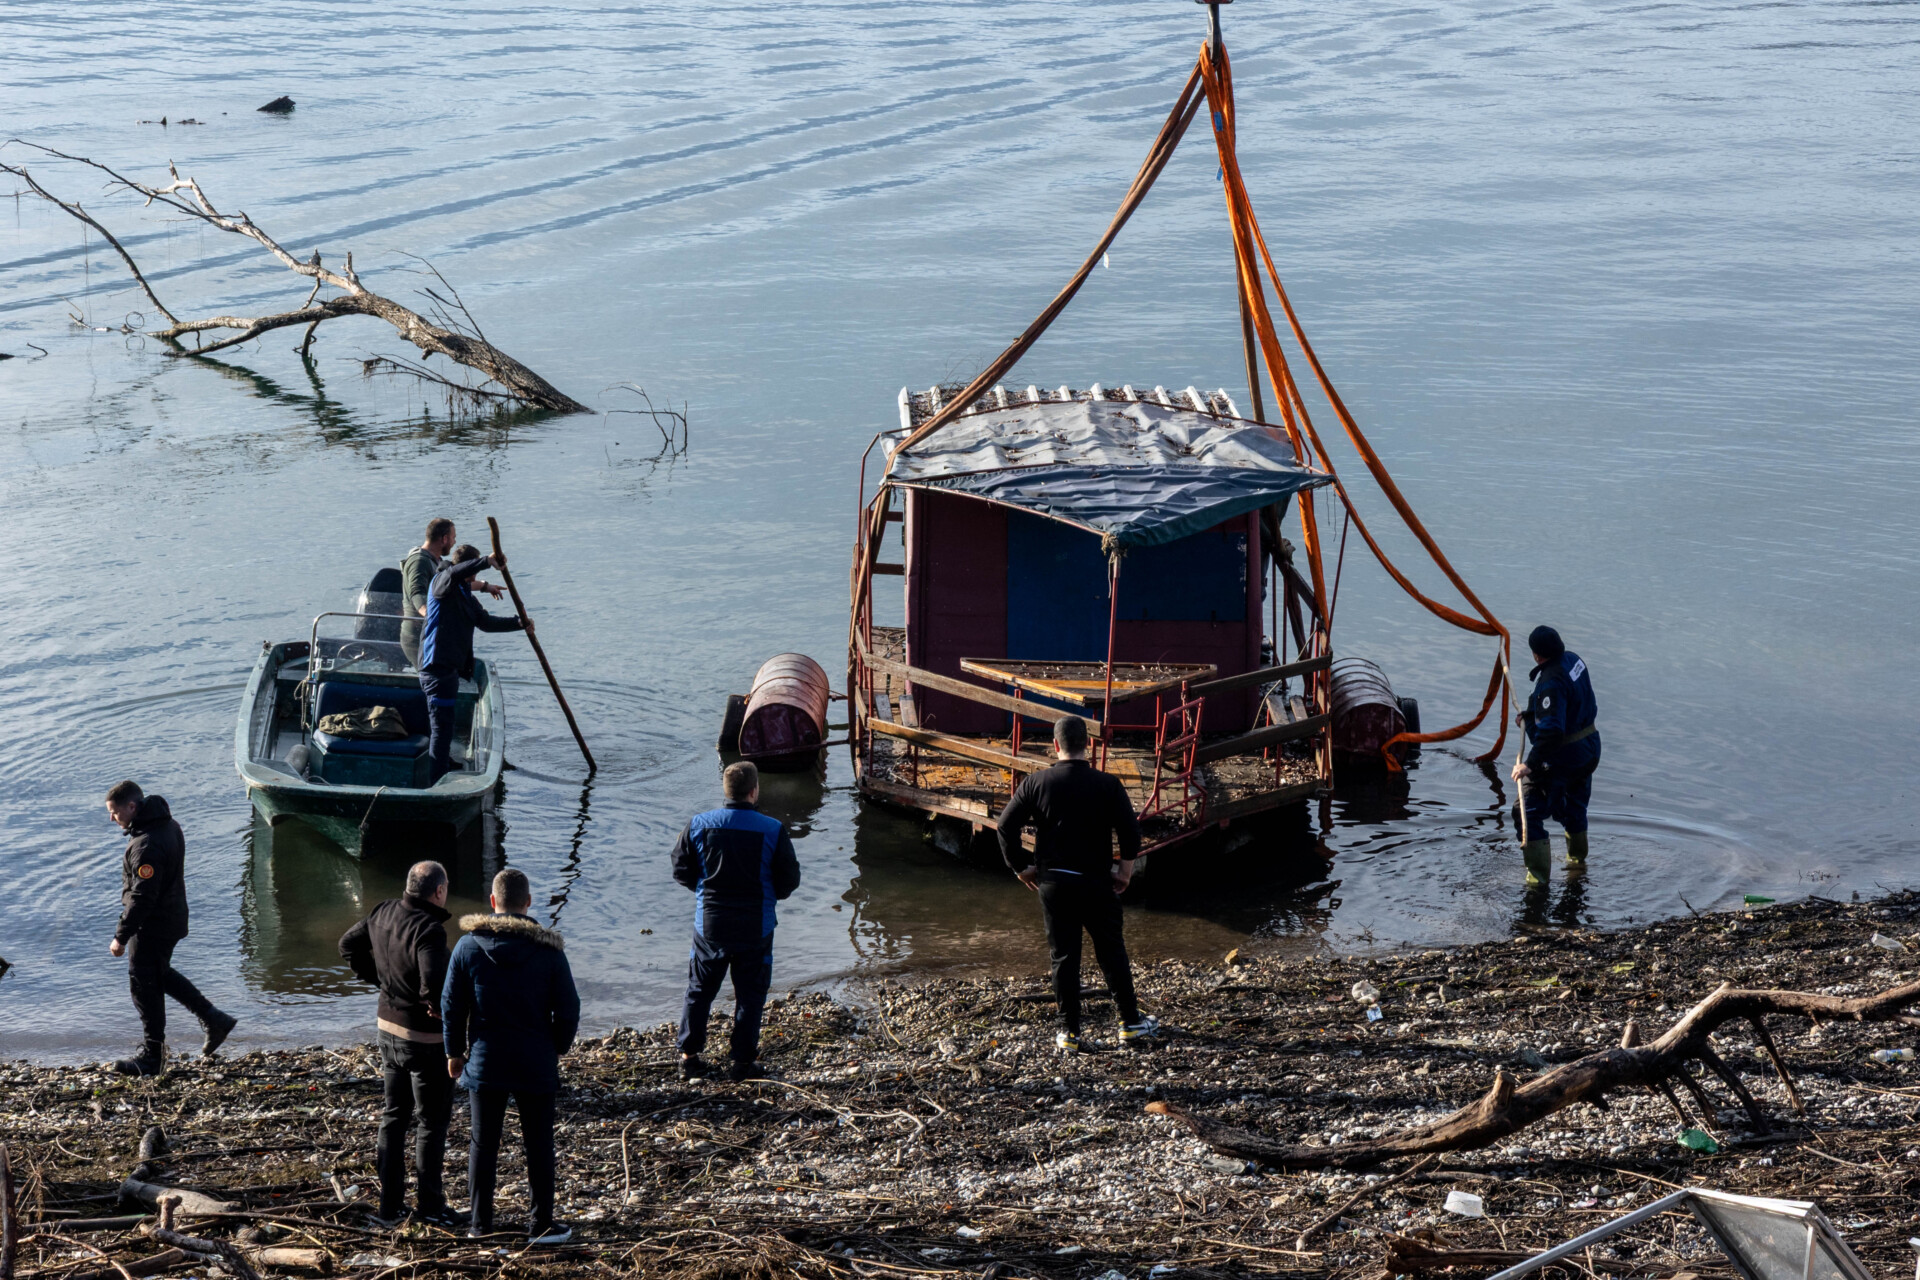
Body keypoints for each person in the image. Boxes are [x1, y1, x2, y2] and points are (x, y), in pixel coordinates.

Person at [995, 716, 1156, 1052]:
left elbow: (1005, 828)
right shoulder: (1108, 784)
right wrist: (1124, 872)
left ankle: (1069, 1033)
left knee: (1064, 957)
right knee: (1112, 951)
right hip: (1097, 883)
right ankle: (1129, 1024)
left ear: (1055, 746)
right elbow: (1130, 832)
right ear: (1090, 745)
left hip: (1054, 884)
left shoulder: (1036, 782)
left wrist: (1020, 868)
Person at [442, 868, 579, 1245]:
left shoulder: (468, 947)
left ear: (492, 902)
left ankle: (480, 1225)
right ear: (528, 903)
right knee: (538, 1143)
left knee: (483, 1144)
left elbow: (452, 1004)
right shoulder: (549, 950)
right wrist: (557, 1046)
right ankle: (541, 1225)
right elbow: (569, 1008)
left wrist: (453, 1051)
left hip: (486, 1061)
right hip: (535, 1061)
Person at [339, 860, 460, 1228]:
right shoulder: (430, 930)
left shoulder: (383, 911)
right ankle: (430, 1205)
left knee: (394, 1117)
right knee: (430, 1122)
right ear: (438, 891)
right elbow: (434, 986)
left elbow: (348, 945)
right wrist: (441, 1013)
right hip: (423, 1040)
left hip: (387, 1030)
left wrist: (380, 982)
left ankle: (390, 1205)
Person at [671, 761, 801, 1083]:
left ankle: (689, 1058)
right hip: (755, 926)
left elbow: (679, 868)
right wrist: (773, 895)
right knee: (750, 995)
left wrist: (702, 890)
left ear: (725, 790)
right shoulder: (772, 829)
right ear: (754, 791)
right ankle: (741, 1062)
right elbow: (789, 879)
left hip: (710, 925)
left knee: (699, 990)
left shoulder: (699, 824)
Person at [104, 781, 236, 1076]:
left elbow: (142, 896)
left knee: (143, 985)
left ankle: (153, 1057)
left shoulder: (146, 844)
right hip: (172, 917)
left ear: (132, 807)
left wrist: (120, 936)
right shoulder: (168, 824)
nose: (112, 819)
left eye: (114, 812)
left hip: (152, 925)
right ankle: (214, 1019)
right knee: (159, 974)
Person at [418, 544, 525, 780]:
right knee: (442, 729)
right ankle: (437, 782)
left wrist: (519, 623)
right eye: (475, 569)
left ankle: (442, 769)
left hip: (450, 670)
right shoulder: (442, 581)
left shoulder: (465, 594)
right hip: (436, 668)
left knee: (445, 726)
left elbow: (485, 622)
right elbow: (455, 573)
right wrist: (487, 560)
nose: (476, 577)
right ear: (469, 567)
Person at [1513, 624, 1602, 886]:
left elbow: (1552, 733)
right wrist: (1529, 717)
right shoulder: (1574, 660)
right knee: (1574, 807)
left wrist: (1529, 764)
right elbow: (1570, 704)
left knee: (1525, 810)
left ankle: (1537, 882)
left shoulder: (1550, 682)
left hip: (1565, 757)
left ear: (1537, 656)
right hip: (1589, 750)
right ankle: (1577, 864)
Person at [400, 519, 503, 668]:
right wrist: (433, 615)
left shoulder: (435, 560)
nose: (454, 542)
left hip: (432, 636)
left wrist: (485, 586)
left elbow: (452, 582)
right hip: (417, 636)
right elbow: (417, 594)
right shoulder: (419, 562)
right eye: (453, 537)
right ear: (444, 538)